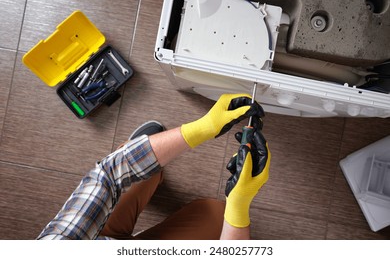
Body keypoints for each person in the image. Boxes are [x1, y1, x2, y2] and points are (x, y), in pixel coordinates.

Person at [37, 93, 270, 240]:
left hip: (98, 238)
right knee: (217, 215)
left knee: (139, 162)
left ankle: (151, 175)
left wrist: (200, 129)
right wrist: (238, 206)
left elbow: (108, 174)